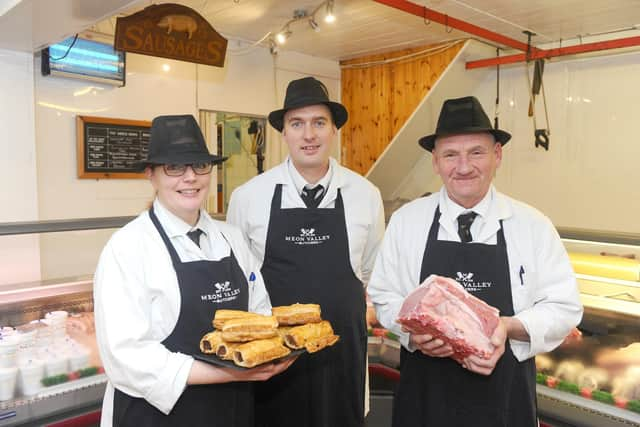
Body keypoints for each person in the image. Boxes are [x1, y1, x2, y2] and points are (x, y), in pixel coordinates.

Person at [367, 96, 583, 427]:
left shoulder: (532, 224)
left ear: (497, 155)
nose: (464, 166)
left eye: (476, 152)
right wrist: (413, 333)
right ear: (435, 161)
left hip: (504, 397)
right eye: (450, 154)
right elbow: (383, 294)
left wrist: (507, 326)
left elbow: (564, 308)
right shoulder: (406, 221)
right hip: (426, 396)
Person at [94, 115, 293, 427]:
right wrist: (225, 372)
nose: (190, 178)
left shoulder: (233, 238)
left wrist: (272, 350)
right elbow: (126, 356)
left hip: (231, 408)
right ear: (151, 175)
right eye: (174, 168)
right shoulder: (128, 248)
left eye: (199, 165)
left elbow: (259, 313)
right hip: (157, 414)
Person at [227, 76, 385, 427]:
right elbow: (241, 279)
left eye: (319, 123)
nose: (308, 135)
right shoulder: (249, 197)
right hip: (274, 358)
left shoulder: (365, 194)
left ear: (334, 131)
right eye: (297, 124)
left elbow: (375, 272)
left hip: (344, 356)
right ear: (284, 132)